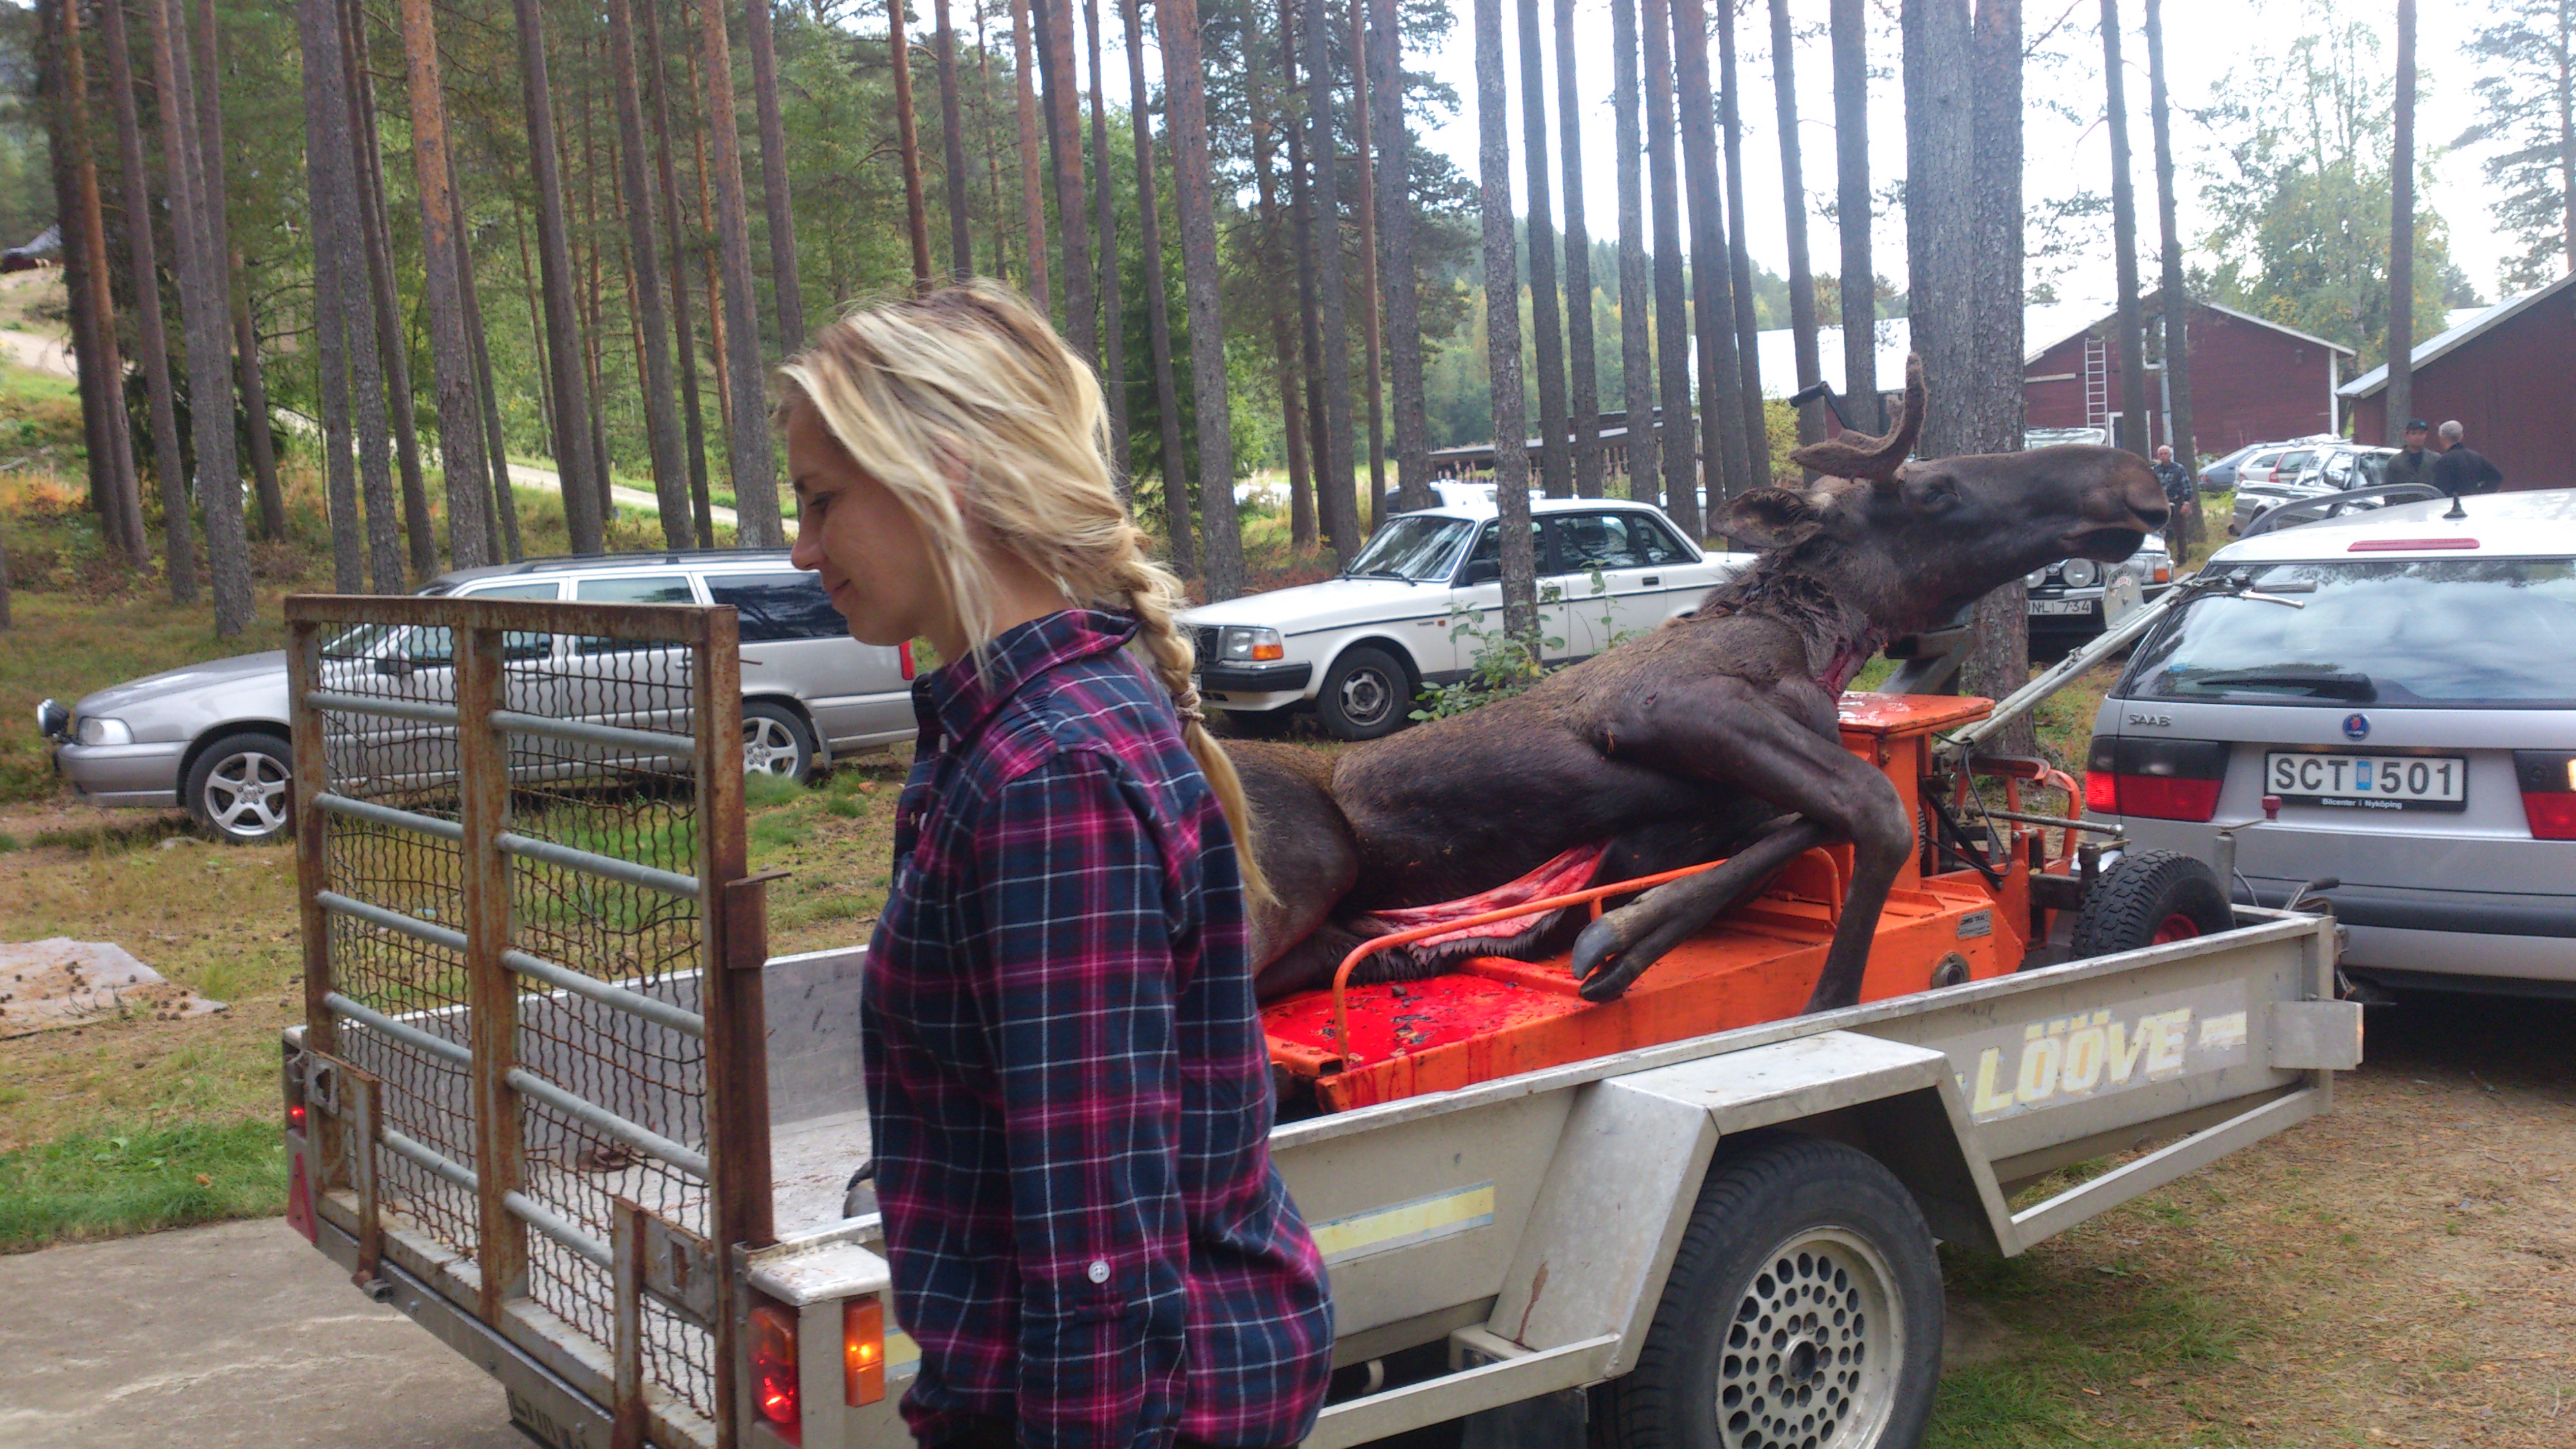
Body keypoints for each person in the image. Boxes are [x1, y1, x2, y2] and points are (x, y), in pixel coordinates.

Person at [781, 284, 1334, 1449]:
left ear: (945, 471)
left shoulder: (1048, 775)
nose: (803, 546)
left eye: (823, 499)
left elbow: (1100, 1248)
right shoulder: (1015, 732)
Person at [2430, 420, 2503, 498]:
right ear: (2462, 436)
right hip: (2473, 502)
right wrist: (2480, 492)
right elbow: (2497, 477)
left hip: (2453, 503)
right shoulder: (2476, 457)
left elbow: (2440, 490)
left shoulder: (2444, 461)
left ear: (2442, 438)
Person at [2151, 444, 2197, 556]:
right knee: (2160, 531)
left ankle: (2182, 557)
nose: (2163, 456)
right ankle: (2162, 556)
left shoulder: (2179, 469)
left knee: (2180, 532)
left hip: (2176, 502)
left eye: (2165, 453)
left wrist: (2186, 503)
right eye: (2161, 454)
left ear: (2170, 455)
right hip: (2161, 503)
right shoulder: (2155, 470)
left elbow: (2187, 487)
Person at [2382, 419, 2438, 489]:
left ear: (2426, 435)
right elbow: (2388, 488)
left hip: (2429, 496)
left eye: (2421, 434)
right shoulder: (2395, 462)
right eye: (2414, 434)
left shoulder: (2435, 459)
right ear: (2406, 435)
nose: (2418, 437)